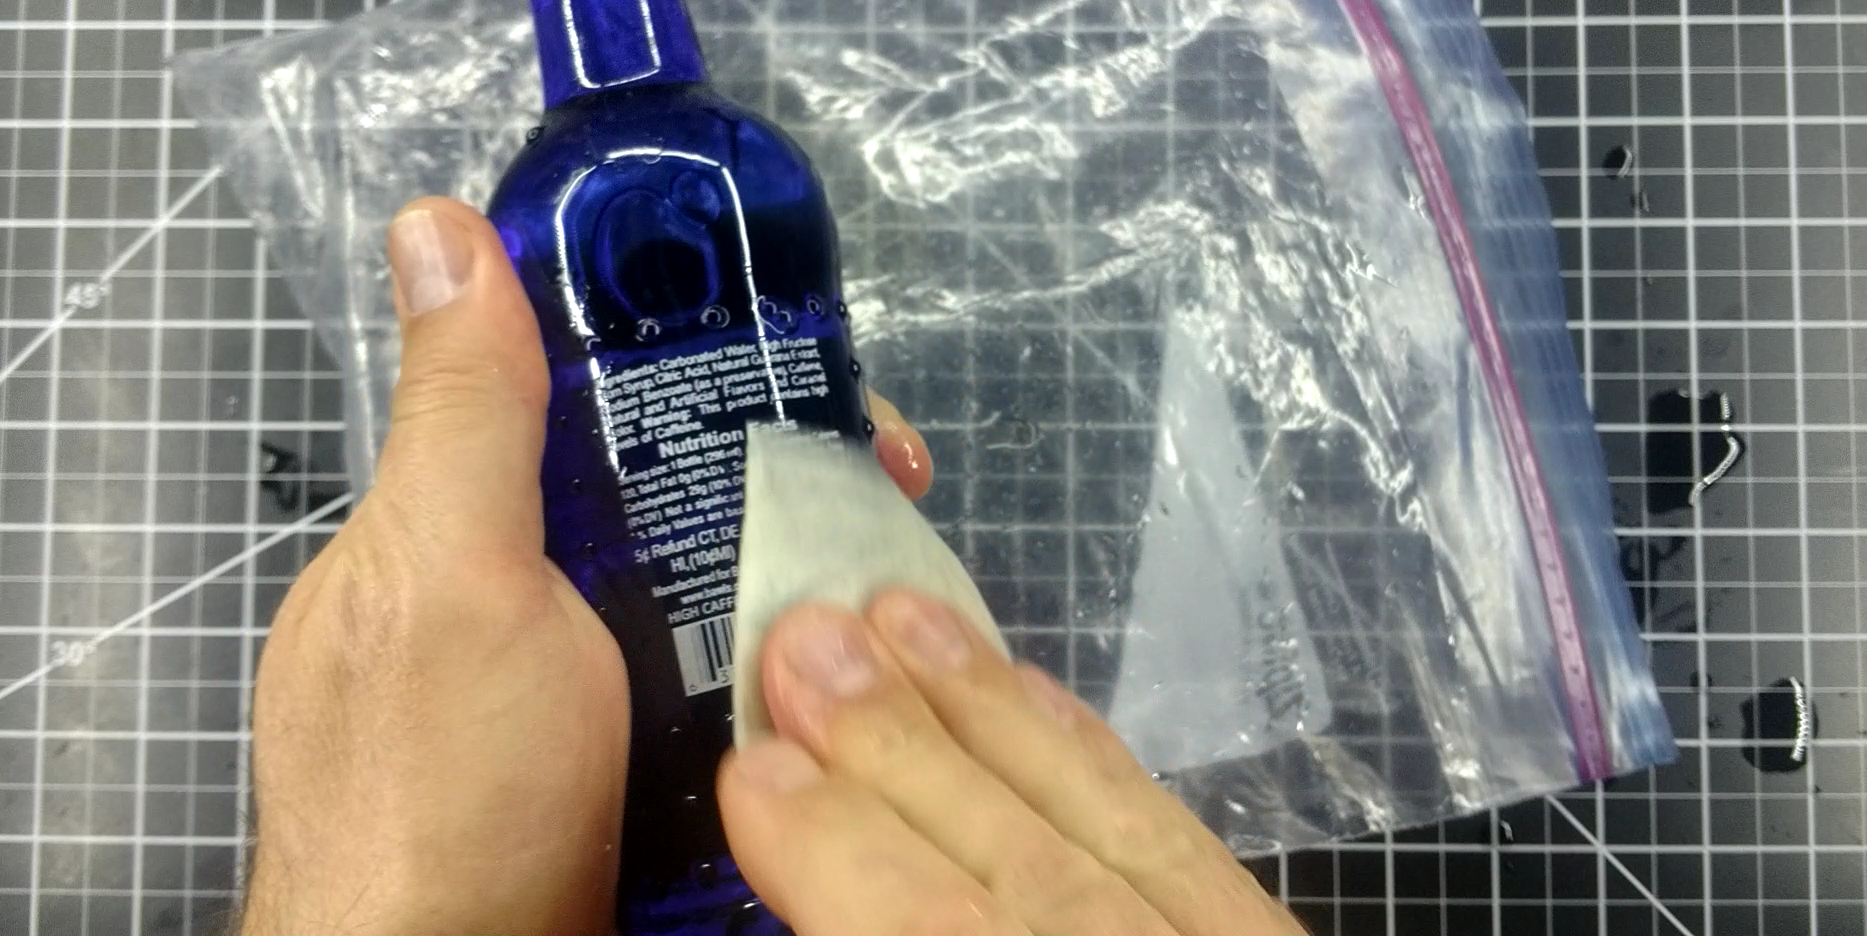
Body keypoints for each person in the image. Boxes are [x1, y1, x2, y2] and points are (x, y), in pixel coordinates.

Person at [238, 196, 1310, 936]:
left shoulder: (719, 167)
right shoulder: (581, 193)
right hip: (730, 839)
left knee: (809, 435)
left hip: (814, 822)